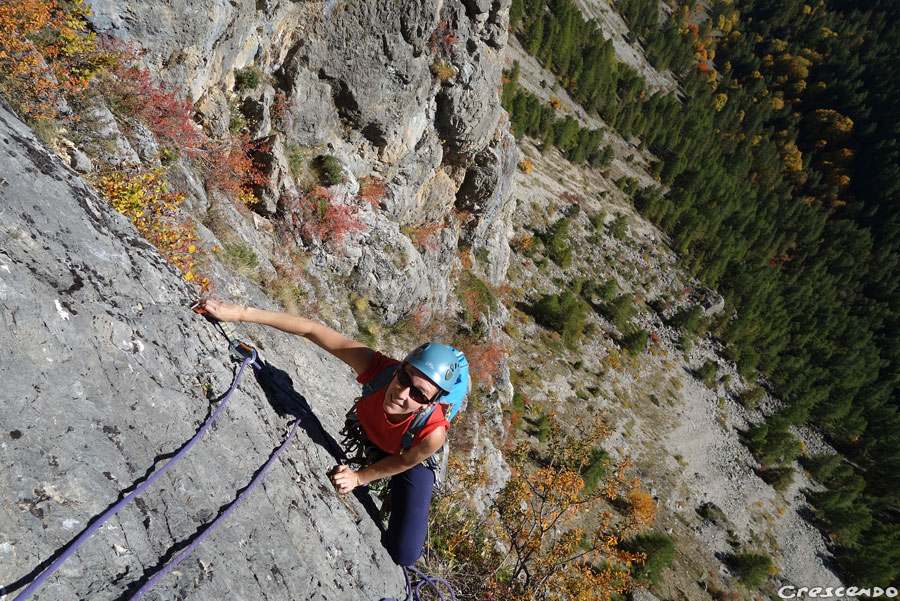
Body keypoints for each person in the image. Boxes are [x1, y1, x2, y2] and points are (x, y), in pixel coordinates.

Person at [197, 299, 459, 566]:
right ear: (400, 367)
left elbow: (404, 461)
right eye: (404, 378)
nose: (402, 393)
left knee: (405, 553)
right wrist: (240, 313)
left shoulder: (432, 434)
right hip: (380, 436)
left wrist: (359, 478)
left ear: (430, 404)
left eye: (418, 394)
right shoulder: (380, 369)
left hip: (407, 453)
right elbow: (311, 330)